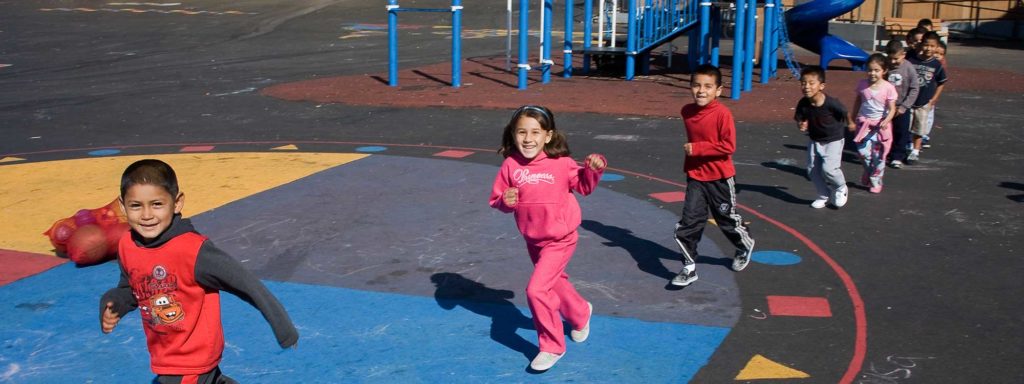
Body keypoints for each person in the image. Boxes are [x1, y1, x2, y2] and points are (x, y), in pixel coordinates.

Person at [100, 159, 298, 384]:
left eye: (157, 204)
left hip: (189, 361)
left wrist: (283, 328)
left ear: (177, 203)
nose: (146, 215)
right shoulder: (127, 245)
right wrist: (115, 302)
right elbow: (130, 287)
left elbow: (245, 282)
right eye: (136, 205)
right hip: (165, 355)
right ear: (123, 206)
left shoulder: (193, 251)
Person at [489, 105, 605, 372]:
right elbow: (498, 199)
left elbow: (584, 187)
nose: (528, 139)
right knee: (556, 284)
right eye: (521, 132)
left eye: (535, 132)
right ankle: (580, 313)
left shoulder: (562, 163)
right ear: (513, 134)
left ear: (548, 136)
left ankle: (552, 345)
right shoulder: (511, 165)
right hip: (533, 241)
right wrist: (507, 201)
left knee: (537, 290)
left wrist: (592, 170)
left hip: (561, 239)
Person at [670, 64, 755, 288]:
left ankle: (744, 244)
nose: (701, 90)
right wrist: (693, 160)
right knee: (689, 223)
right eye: (697, 85)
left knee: (725, 219)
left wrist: (698, 149)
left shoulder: (722, 114)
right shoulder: (686, 111)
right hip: (696, 177)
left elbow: (728, 146)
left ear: (718, 90)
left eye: (708, 86)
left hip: (719, 178)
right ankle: (688, 268)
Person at [794, 65, 854, 208]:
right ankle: (823, 194)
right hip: (815, 139)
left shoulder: (831, 103)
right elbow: (799, 118)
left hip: (833, 139)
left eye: (811, 83)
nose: (806, 87)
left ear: (821, 86)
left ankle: (840, 187)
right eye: (803, 83)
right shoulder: (803, 103)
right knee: (812, 171)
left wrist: (851, 123)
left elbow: (845, 112)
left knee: (829, 169)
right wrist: (801, 124)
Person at [850, 54, 898, 193]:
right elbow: (858, 101)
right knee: (863, 153)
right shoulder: (862, 85)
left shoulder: (888, 88)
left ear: (884, 71)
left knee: (879, 156)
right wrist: (853, 117)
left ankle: (876, 182)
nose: (872, 73)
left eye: (876, 70)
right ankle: (869, 171)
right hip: (864, 125)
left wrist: (886, 120)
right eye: (870, 70)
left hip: (880, 127)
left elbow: (892, 108)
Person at [906, 31, 948, 164]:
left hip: (924, 102)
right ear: (921, 44)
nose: (928, 49)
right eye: (926, 45)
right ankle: (908, 145)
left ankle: (915, 151)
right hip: (908, 99)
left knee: (919, 128)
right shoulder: (912, 58)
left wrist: (934, 98)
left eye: (932, 46)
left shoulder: (936, 64)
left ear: (936, 47)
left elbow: (942, 82)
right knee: (906, 125)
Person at [884, 40, 919, 169]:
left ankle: (897, 156)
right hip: (887, 106)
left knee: (901, 132)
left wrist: (904, 106)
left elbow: (914, 88)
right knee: (886, 131)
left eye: (896, 59)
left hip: (901, 107)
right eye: (890, 58)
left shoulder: (908, 68)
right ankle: (885, 153)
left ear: (903, 55)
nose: (893, 62)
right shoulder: (886, 66)